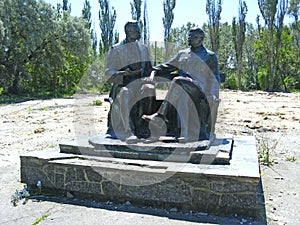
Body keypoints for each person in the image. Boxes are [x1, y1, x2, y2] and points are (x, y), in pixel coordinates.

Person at [142, 28, 220, 143]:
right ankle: (184, 133)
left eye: (193, 36)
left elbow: (215, 78)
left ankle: (160, 115)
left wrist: (214, 94)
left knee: (178, 80)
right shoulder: (182, 54)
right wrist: (153, 72)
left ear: (201, 39)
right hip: (183, 87)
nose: (189, 38)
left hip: (199, 89)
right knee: (182, 93)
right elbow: (166, 66)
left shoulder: (209, 56)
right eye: (189, 36)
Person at [105, 20, 155, 143]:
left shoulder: (144, 49)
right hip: (123, 85)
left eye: (139, 30)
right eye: (136, 30)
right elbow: (108, 72)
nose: (139, 33)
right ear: (129, 31)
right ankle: (129, 131)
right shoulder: (116, 49)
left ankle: (142, 125)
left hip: (140, 84)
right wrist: (121, 73)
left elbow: (151, 69)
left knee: (149, 88)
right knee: (125, 92)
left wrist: (152, 77)